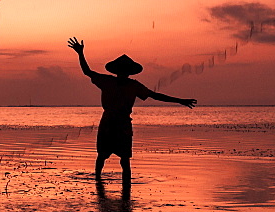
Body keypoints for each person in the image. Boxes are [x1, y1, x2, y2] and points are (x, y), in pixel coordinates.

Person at [68, 37, 196, 183]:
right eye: (121, 70)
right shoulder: (107, 81)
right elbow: (87, 71)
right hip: (108, 123)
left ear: (129, 72)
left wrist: (180, 101)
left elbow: (155, 95)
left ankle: (125, 191)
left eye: (125, 71)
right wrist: (80, 53)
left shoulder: (133, 85)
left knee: (124, 159)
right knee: (102, 156)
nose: (123, 73)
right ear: (117, 71)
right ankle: (98, 183)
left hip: (123, 124)